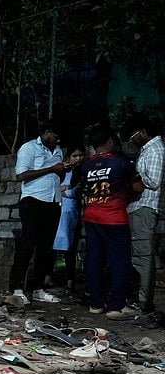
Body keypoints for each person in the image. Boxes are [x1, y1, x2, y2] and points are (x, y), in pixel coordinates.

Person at [78, 130, 140, 319]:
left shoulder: (86, 165)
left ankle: (96, 304)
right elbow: (138, 187)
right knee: (120, 261)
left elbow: (83, 189)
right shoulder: (121, 162)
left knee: (94, 259)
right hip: (114, 218)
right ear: (111, 141)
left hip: (91, 216)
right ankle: (116, 306)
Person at [7, 122, 69, 305]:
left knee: (46, 248)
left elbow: (57, 176)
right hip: (33, 200)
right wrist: (51, 169)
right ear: (47, 132)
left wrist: (63, 170)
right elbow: (21, 175)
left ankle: (38, 288)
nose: (58, 140)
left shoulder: (58, 151)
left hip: (53, 200)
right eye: (55, 136)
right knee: (28, 244)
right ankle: (17, 287)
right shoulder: (29, 148)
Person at [125, 111, 164, 313]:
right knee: (137, 254)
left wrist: (133, 174)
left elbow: (154, 181)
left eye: (133, 135)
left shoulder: (156, 150)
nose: (132, 140)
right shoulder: (148, 149)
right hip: (138, 206)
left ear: (142, 132)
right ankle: (139, 298)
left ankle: (143, 301)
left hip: (145, 206)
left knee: (142, 255)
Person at [46, 144, 85, 294]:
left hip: (70, 212)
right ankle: (48, 277)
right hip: (57, 210)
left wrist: (64, 190)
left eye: (80, 155)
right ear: (68, 157)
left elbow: (75, 192)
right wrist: (64, 189)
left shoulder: (81, 172)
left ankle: (70, 280)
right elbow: (53, 188)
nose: (78, 159)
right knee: (52, 244)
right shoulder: (61, 171)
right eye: (75, 156)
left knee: (70, 246)